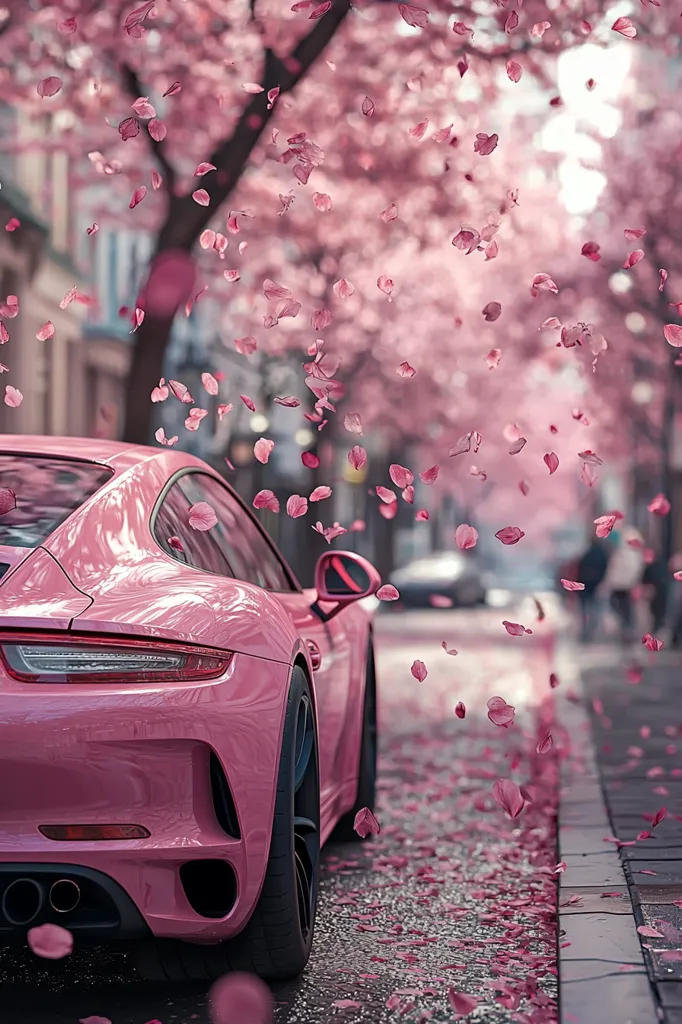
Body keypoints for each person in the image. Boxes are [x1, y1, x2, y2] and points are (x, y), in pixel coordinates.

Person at [601, 527, 644, 641]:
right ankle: (627, 628)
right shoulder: (633, 553)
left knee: (623, 607)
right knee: (625, 607)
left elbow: (615, 568)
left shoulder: (624, 553)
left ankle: (627, 628)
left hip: (622, 585)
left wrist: (609, 581)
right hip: (624, 584)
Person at [576, 538, 609, 642]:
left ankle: (586, 631)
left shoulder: (586, 554)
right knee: (596, 610)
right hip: (596, 585)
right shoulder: (603, 555)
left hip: (585, 585)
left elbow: (579, 569)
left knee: (586, 611)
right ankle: (593, 631)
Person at [642, 551, 669, 635]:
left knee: (656, 614)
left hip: (658, 592)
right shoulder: (656, 566)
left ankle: (655, 631)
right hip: (656, 591)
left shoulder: (657, 566)